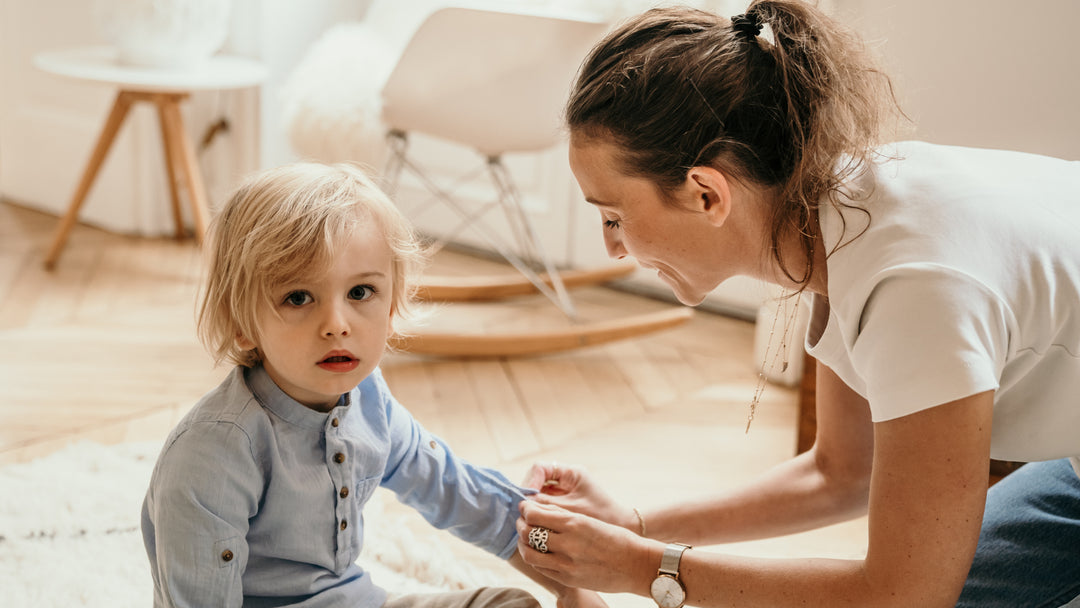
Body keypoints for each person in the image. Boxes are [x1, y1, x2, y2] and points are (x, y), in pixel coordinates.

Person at [512, 2, 1080, 607]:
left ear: (707, 193)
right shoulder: (842, 212)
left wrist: (646, 569)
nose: (613, 248)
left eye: (614, 217)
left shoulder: (916, 291)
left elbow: (906, 595)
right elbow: (840, 473)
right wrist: (633, 525)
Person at [140, 162, 605, 608]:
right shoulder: (217, 451)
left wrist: (574, 590)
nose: (337, 324)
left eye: (360, 292)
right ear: (242, 325)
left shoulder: (368, 400)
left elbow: (456, 491)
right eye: (298, 297)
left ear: (390, 305)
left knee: (511, 605)